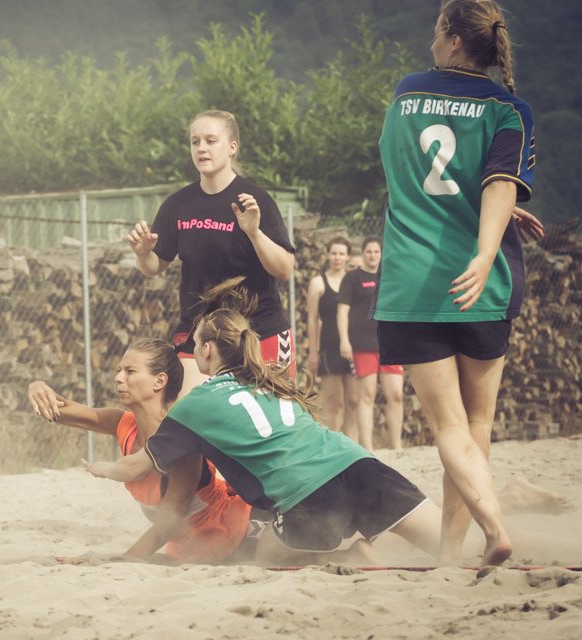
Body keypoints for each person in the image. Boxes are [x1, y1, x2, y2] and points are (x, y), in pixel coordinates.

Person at [82, 307, 569, 566]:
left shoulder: (195, 405)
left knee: (268, 554)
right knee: (451, 541)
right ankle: (518, 526)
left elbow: (138, 465)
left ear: (207, 351)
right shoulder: (266, 378)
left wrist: (99, 469)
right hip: (358, 464)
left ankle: (353, 551)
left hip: (309, 497)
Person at [373, 0, 542, 565]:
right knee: (478, 424)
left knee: (448, 426)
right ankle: (456, 545)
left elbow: (416, 174)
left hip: (413, 283)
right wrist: (486, 248)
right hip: (484, 283)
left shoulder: (407, 91)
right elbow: (496, 185)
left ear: (451, 38)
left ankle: (486, 532)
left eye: (435, 31)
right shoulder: (509, 108)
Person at [28, 337, 258, 565]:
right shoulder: (124, 424)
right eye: (119, 370)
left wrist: (111, 561)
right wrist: (37, 387)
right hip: (186, 549)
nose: (118, 378)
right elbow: (59, 410)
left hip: (235, 536)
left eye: (130, 371)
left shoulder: (183, 437)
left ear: (159, 381)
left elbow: (168, 522)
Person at [127, 109, 295, 398]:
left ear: (232, 147)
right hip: (200, 334)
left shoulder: (255, 201)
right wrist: (143, 254)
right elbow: (154, 266)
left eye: (210, 140)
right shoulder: (178, 205)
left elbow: (284, 269)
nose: (201, 147)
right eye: (195, 141)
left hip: (257, 332)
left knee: (269, 429)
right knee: (193, 420)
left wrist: (254, 233)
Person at [337, 237, 404, 450]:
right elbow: (342, 311)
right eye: (369, 251)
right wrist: (344, 340)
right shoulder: (352, 278)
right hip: (362, 345)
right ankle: (368, 447)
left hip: (391, 344)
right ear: (363, 253)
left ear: (381, 254)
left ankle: (397, 446)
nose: (373, 255)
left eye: (376, 251)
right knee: (366, 396)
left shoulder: (390, 275)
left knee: (396, 394)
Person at [305, 236, 357, 435]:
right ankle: (331, 444)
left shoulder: (354, 281)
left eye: (342, 254)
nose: (337, 257)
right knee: (332, 401)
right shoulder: (318, 283)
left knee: (353, 400)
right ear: (327, 255)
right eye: (334, 253)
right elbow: (311, 318)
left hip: (354, 347)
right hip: (328, 347)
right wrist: (313, 352)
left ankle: (354, 446)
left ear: (348, 256)